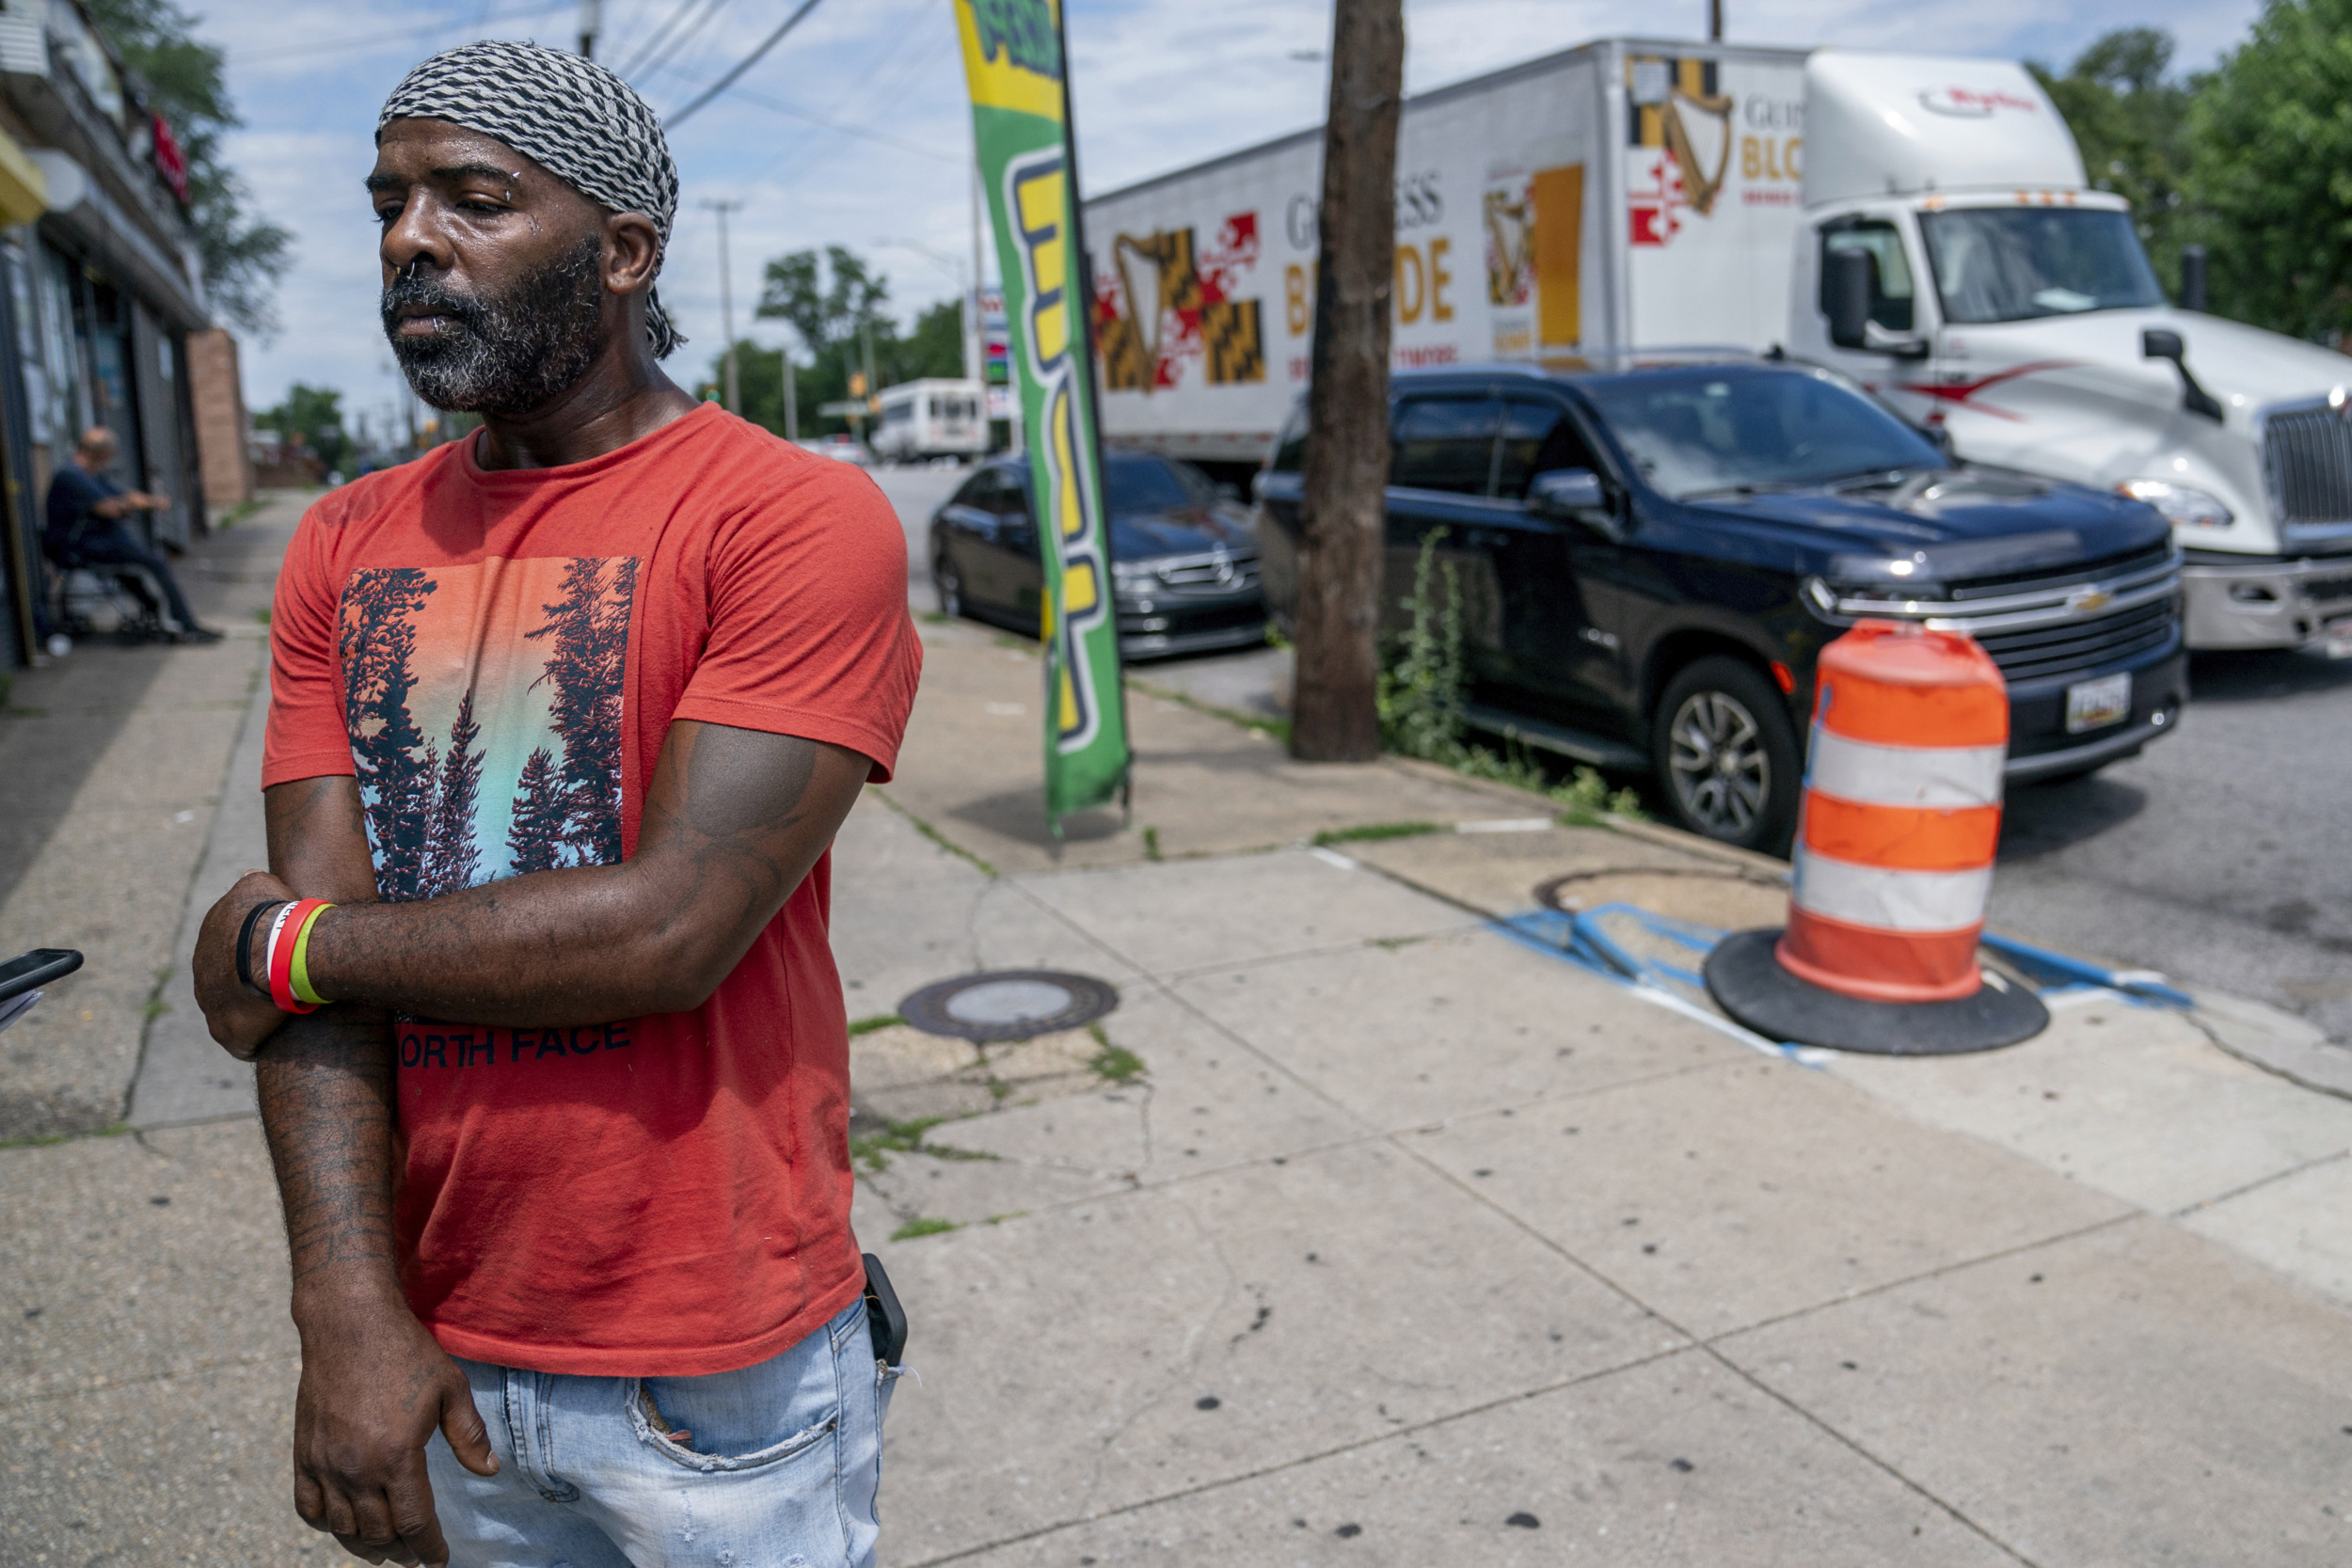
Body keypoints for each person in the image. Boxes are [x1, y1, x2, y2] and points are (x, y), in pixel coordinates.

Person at [188, 40, 921, 1568]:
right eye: (389, 201)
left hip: (715, 1373)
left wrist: (286, 949)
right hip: (443, 1350)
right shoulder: (342, 540)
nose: (408, 238)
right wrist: (345, 1313)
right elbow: (322, 989)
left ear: (622, 252)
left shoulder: (787, 515)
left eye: (473, 198)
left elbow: (667, 930)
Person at [43, 425, 222, 641]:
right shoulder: (71, 475)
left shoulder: (93, 475)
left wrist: (151, 502)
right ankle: (186, 624)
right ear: (102, 453)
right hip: (78, 548)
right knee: (156, 563)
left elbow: (125, 495)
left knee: (133, 569)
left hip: (102, 543)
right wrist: (132, 504)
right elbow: (108, 507)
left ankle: (153, 613)